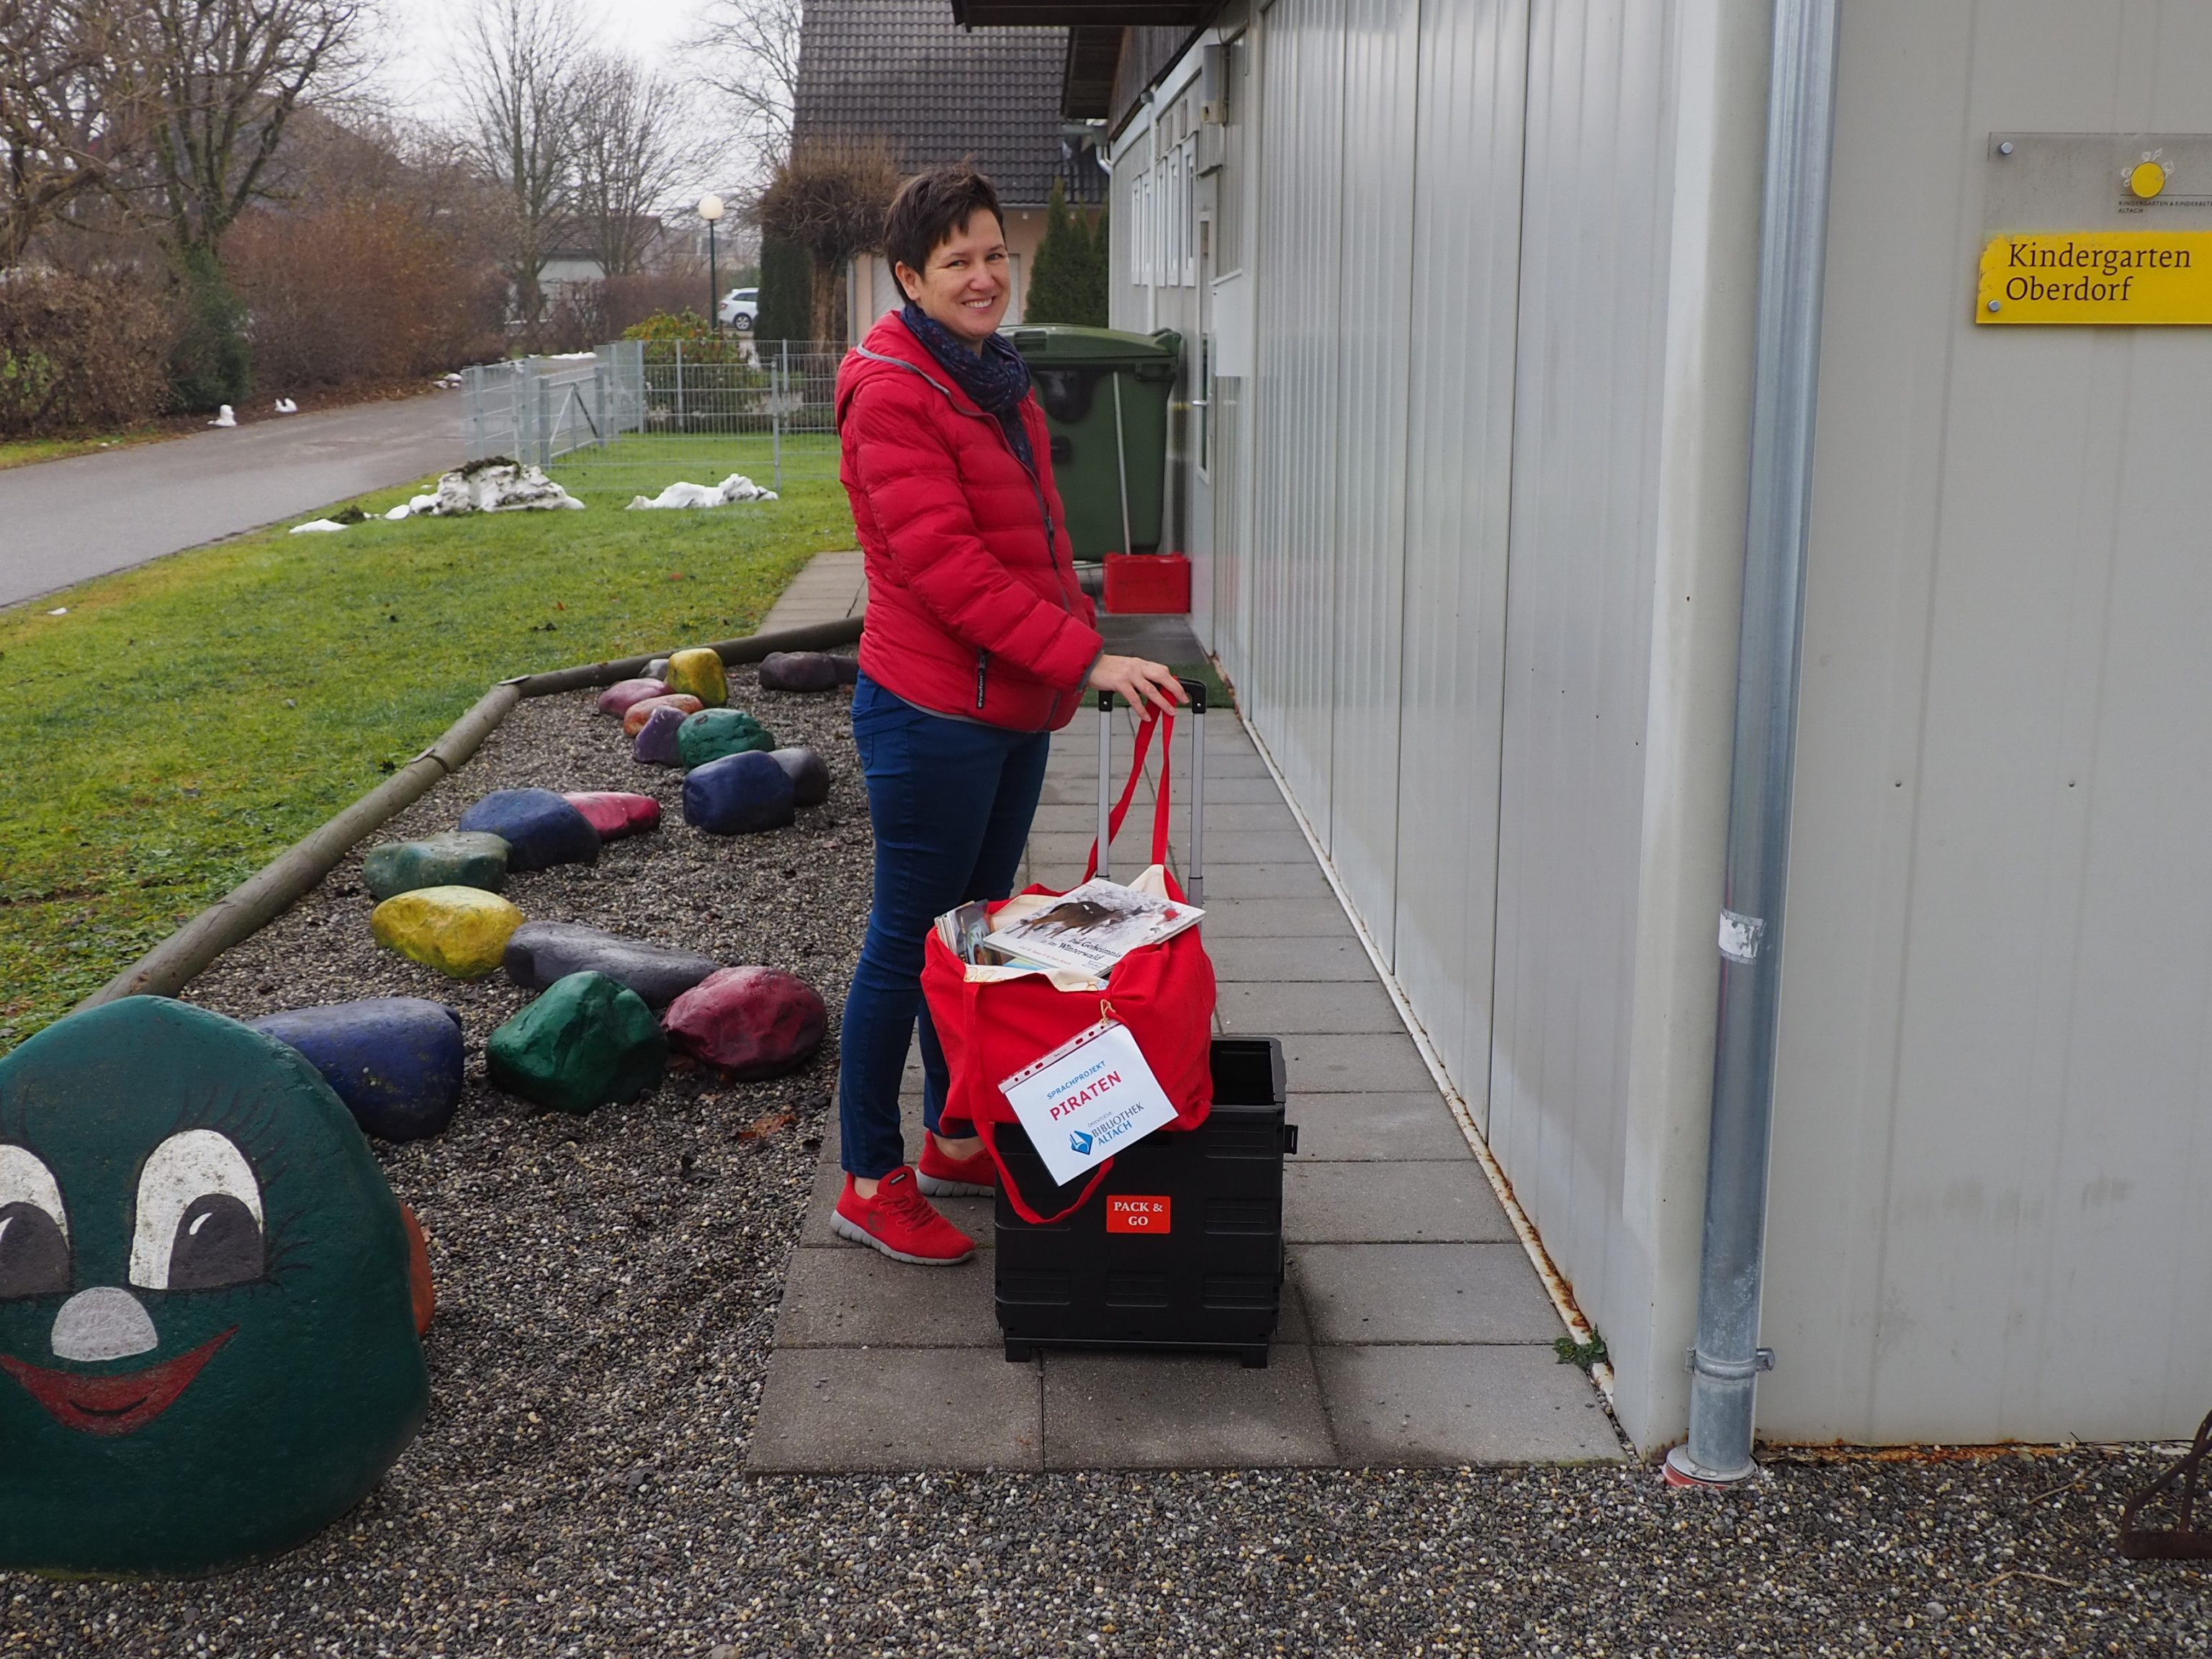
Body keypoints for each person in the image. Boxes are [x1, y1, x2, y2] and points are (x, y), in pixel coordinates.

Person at [830, 164, 1184, 1266]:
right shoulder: (894, 391)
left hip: (1004, 705)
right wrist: (1092, 658)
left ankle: (952, 1132)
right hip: (934, 712)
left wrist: (1070, 629)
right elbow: (952, 575)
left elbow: (1027, 537)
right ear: (909, 278)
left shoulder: (989, 372)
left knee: (977, 933)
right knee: (909, 940)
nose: (984, 277)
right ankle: (868, 1177)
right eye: (957, 263)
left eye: (995, 255)